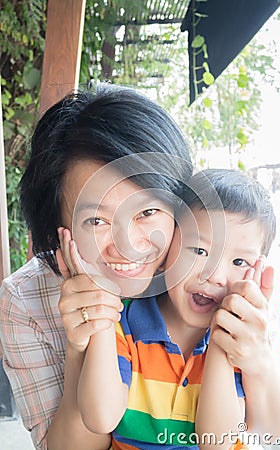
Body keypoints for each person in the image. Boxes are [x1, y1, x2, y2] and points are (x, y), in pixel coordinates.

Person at [0, 82, 194, 450]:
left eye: (148, 211)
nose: (128, 246)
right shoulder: (25, 302)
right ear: (56, 225)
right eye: (96, 221)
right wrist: (81, 347)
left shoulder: (207, 276)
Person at [68, 168, 280, 449]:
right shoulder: (122, 322)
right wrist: (100, 301)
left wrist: (220, 345)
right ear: (166, 251)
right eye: (199, 251)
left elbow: (218, 442)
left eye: (239, 263)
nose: (214, 275)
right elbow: (100, 418)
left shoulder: (241, 339)